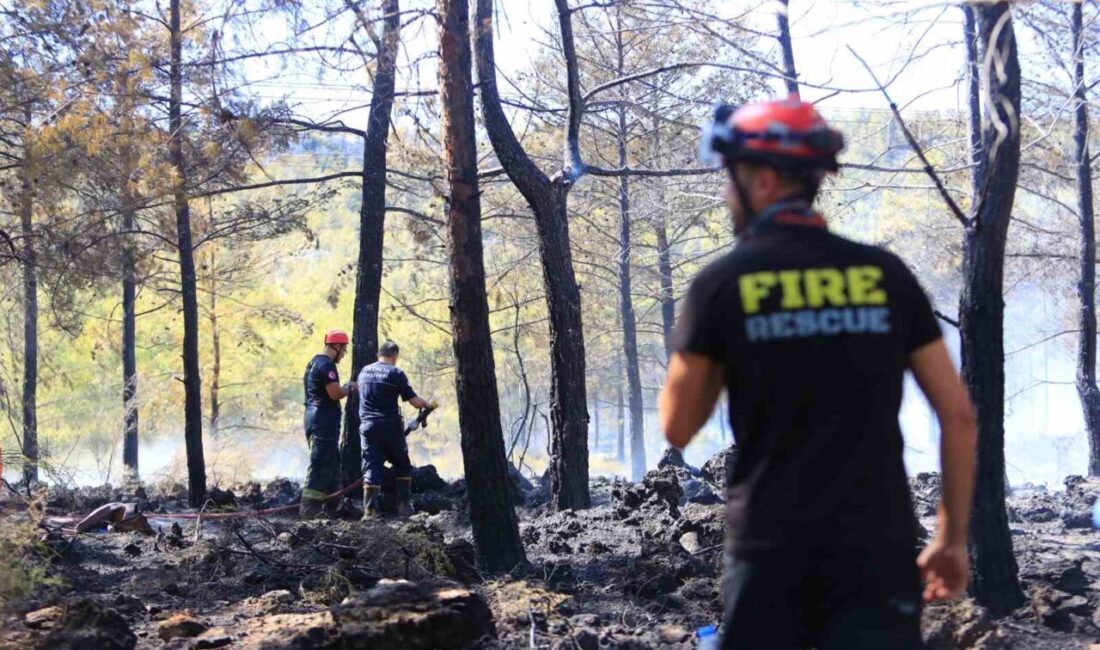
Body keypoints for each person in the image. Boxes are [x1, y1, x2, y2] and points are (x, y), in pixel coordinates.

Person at [659, 95, 977, 649]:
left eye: (730, 178)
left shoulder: (722, 285)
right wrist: (950, 538)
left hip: (768, 548)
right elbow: (959, 416)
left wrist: (713, 341)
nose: (727, 193)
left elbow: (678, 427)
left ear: (762, 180)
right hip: (876, 546)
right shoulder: (886, 275)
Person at [358, 340, 432, 519]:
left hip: (367, 426)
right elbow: (415, 402)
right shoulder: (396, 373)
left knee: (371, 467)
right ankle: (403, 508)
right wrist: (427, 404)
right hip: (389, 426)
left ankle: (370, 511)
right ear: (395, 356)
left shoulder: (364, 371)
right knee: (402, 465)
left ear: (379, 354)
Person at [301, 330, 356, 518]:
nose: (344, 354)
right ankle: (309, 510)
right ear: (337, 347)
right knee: (322, 463)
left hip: (316, 418)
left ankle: (335, 507)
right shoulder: (327, 366)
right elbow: (335, 394)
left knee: (333, 462)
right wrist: (349, 388)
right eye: (344, 350)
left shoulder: (314, 362)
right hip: (323, 420)